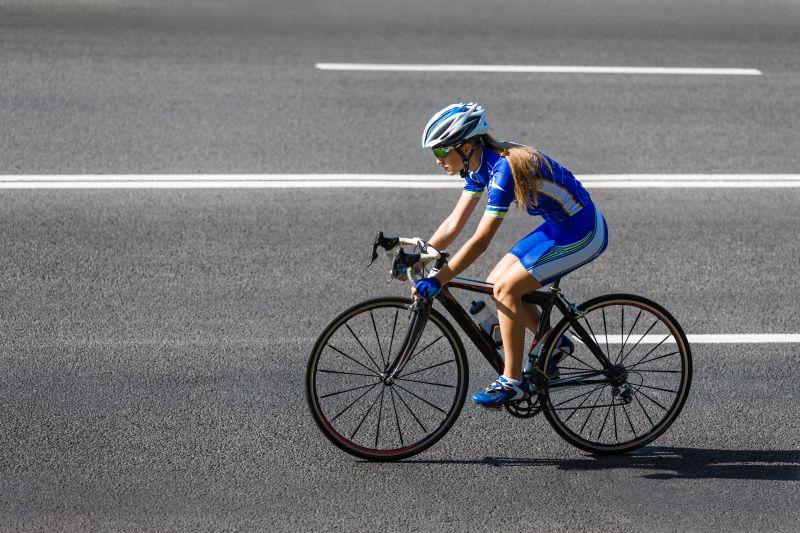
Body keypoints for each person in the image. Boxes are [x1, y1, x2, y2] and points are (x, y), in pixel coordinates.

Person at [412, 102, 608, 408]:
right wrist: (419, 256)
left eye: (440, 151)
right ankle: (556, 344)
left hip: (583, 232)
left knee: (506, 289)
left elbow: (481, 240)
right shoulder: (480, 165)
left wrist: (439, 279)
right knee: (496, 282)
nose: (437, 160)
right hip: (559, 226)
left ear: (465, 145)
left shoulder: (503, 169)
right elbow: (455, 222)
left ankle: (512, 381)